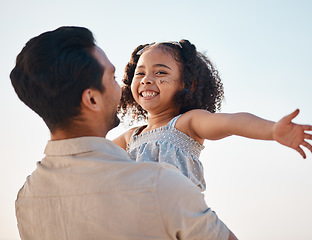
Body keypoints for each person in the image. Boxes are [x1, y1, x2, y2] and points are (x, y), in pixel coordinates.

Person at [11, 27, 237, 240]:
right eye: (112, 78)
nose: (122, 88)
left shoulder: (27, 199)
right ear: (92, 99)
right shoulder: (162, 184)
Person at [113, 40, 312, 191]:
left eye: (160, 73)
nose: (147, 79)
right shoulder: (131, 137)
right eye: (140, 73)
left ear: (187, 84)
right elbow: (91, 152)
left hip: (181, 219)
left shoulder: (187, 122)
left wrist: (272, 130)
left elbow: (232, 122)